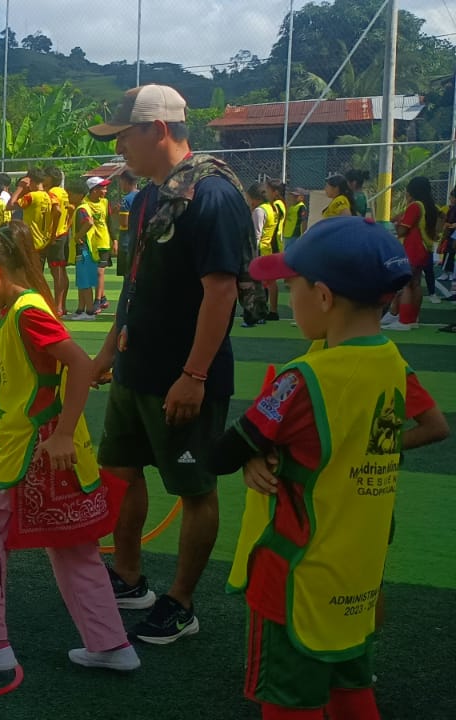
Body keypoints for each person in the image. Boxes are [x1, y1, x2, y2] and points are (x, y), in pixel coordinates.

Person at [215, 216, 415, 720]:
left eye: (291, 287)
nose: (287, 297)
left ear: (323, 297)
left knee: (289, 701)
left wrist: (249, 452)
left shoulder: (303, 378)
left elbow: (225, 453)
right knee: (351, 690)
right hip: (357, 573)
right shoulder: (392, 361)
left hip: (296, 576)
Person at [0, 223, 139, 674]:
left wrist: (62, 433)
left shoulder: (25, 312)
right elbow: (7, 368)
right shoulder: (18, 313)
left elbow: (78, 363)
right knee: (72, 547)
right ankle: (111, 645)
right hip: (47, 450)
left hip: (32, 451)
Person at [88, 84, 253, 645]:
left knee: (194, 488)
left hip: (184, 377)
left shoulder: (212, 195)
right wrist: (107, 355)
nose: (119, 148)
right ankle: (129, 576)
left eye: (124, 136)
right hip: (135, 367)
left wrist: (195, 375)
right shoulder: (147, 199)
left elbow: (221, 291)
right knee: (121, 470)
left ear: (158, 129)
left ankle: (181, 603)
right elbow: (134, 287)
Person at [386, 176, 437, 330]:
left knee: (407, 285)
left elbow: (402, 230)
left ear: (412, 191)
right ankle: (413, 319)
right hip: (424, 249)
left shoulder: (415, 206)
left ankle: (405, 321)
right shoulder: (430, 207)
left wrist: (397, 223)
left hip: (413, 248)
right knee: (416, 283)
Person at [70, 177, 109, 320]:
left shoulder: (82, 208)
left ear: (79, 195)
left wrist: (77, 236)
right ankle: (81, 310)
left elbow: (89, 222)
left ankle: (90, 311)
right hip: (85, 249)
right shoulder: (83, 207)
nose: (69, 197)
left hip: (84, 249)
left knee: (85, 281)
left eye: (70, 194)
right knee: (82, 281)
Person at [247, 183, 279, 327]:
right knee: (269, 282)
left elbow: (256, 234)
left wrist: (251, 253)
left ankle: (258, 312)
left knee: (257, 283)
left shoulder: (259, 211)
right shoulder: (271, 208)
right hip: (268, 249)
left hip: (260, 250)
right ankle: (271, 311)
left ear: (255, 198)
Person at [46, 168, 75, 315]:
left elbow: (57, 211)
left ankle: (57, 307)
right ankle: (62, 305)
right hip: (63, 234)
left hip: (56, 236)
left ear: (50, 178)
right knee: (62, 271)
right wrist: (67, 226)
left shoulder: (52, 193)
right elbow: (71, 209)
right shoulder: (63, 192)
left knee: (56, 272)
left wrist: (52, 235)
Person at [116, 171, 140, 278]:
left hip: (127, 242)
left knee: (128, 277)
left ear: (125, 181)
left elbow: (124, 223)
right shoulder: (143, 196)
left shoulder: (126, 200)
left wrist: (118, 214)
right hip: (141, 242)